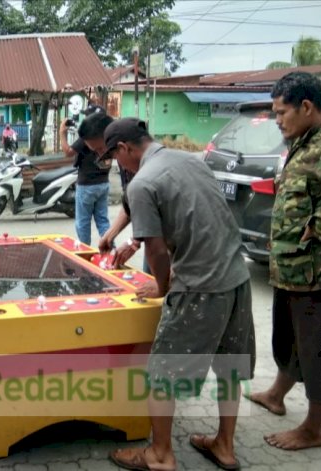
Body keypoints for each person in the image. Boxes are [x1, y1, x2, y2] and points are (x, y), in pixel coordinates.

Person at [105, 118, 255, 471]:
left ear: (124, 148)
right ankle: (225, 446)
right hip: (236, 277)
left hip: (200, 287)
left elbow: (156, 251)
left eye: (114, 157)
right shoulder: (191, 160)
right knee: (230, 368)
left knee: (161, 374)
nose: (117, 164)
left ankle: (160, 454)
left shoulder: (142, 182)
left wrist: (162, 287)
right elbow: (202, 223)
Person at [245, 72, 321, 451]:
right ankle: (276, 395)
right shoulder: (304, 142)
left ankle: (314, 429)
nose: (278, 120)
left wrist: (318, 224)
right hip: (291, 269)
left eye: (282, 112)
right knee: (291, 340)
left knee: (317, 348)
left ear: (306, 106)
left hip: (318, 272)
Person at [59, 105, 111, 246]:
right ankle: (110, 250)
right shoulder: (107, 136)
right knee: (103, 221)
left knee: (83, 222)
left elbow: (68, 152)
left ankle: (85, 250)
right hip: (104, 183)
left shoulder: (87, 138)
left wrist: (62, 133)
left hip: (87, 185)